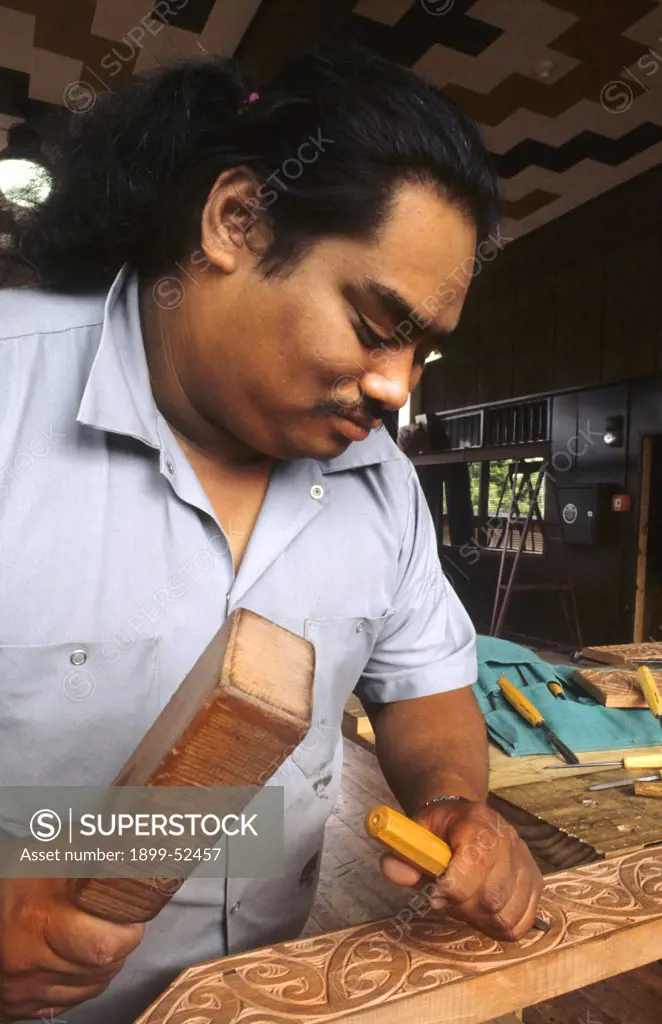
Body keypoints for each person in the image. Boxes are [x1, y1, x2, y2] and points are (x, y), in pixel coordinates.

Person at [0, 44, 541, 1024]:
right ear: (235, 221)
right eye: (377, 325)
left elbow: (428, 688)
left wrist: (458, 804)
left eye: (421, 350)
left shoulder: (379, 483)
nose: (395, 389)